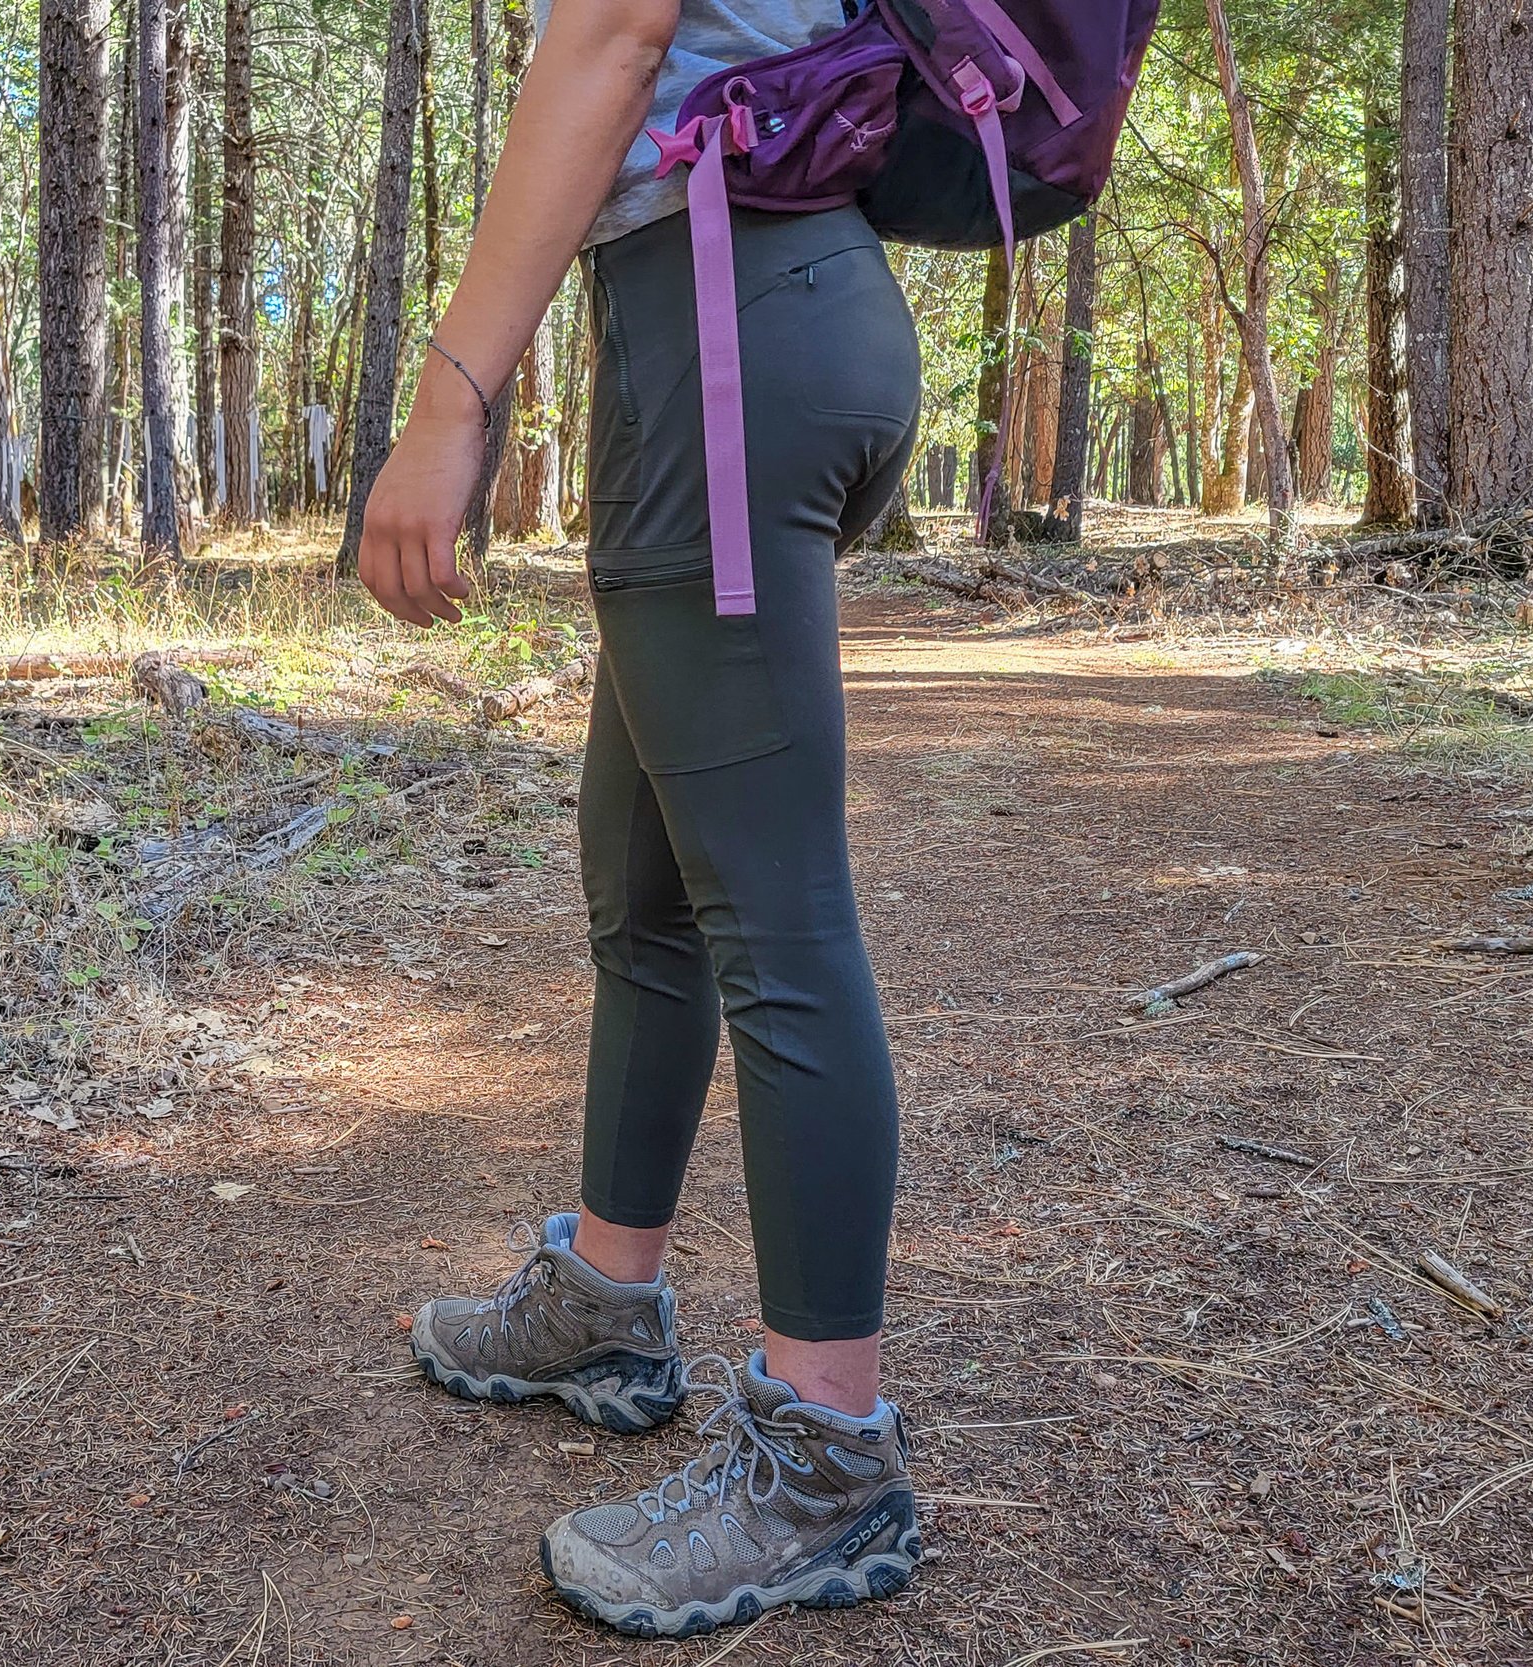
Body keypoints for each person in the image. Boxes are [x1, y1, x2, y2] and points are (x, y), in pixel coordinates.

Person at [354, 0, 923, 1634]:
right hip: (752, 307)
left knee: (774, 918)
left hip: (727, 330)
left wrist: (455, 392)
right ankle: (606, 1301)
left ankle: (830, 1457)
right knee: (648, 888)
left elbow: (609, 35)